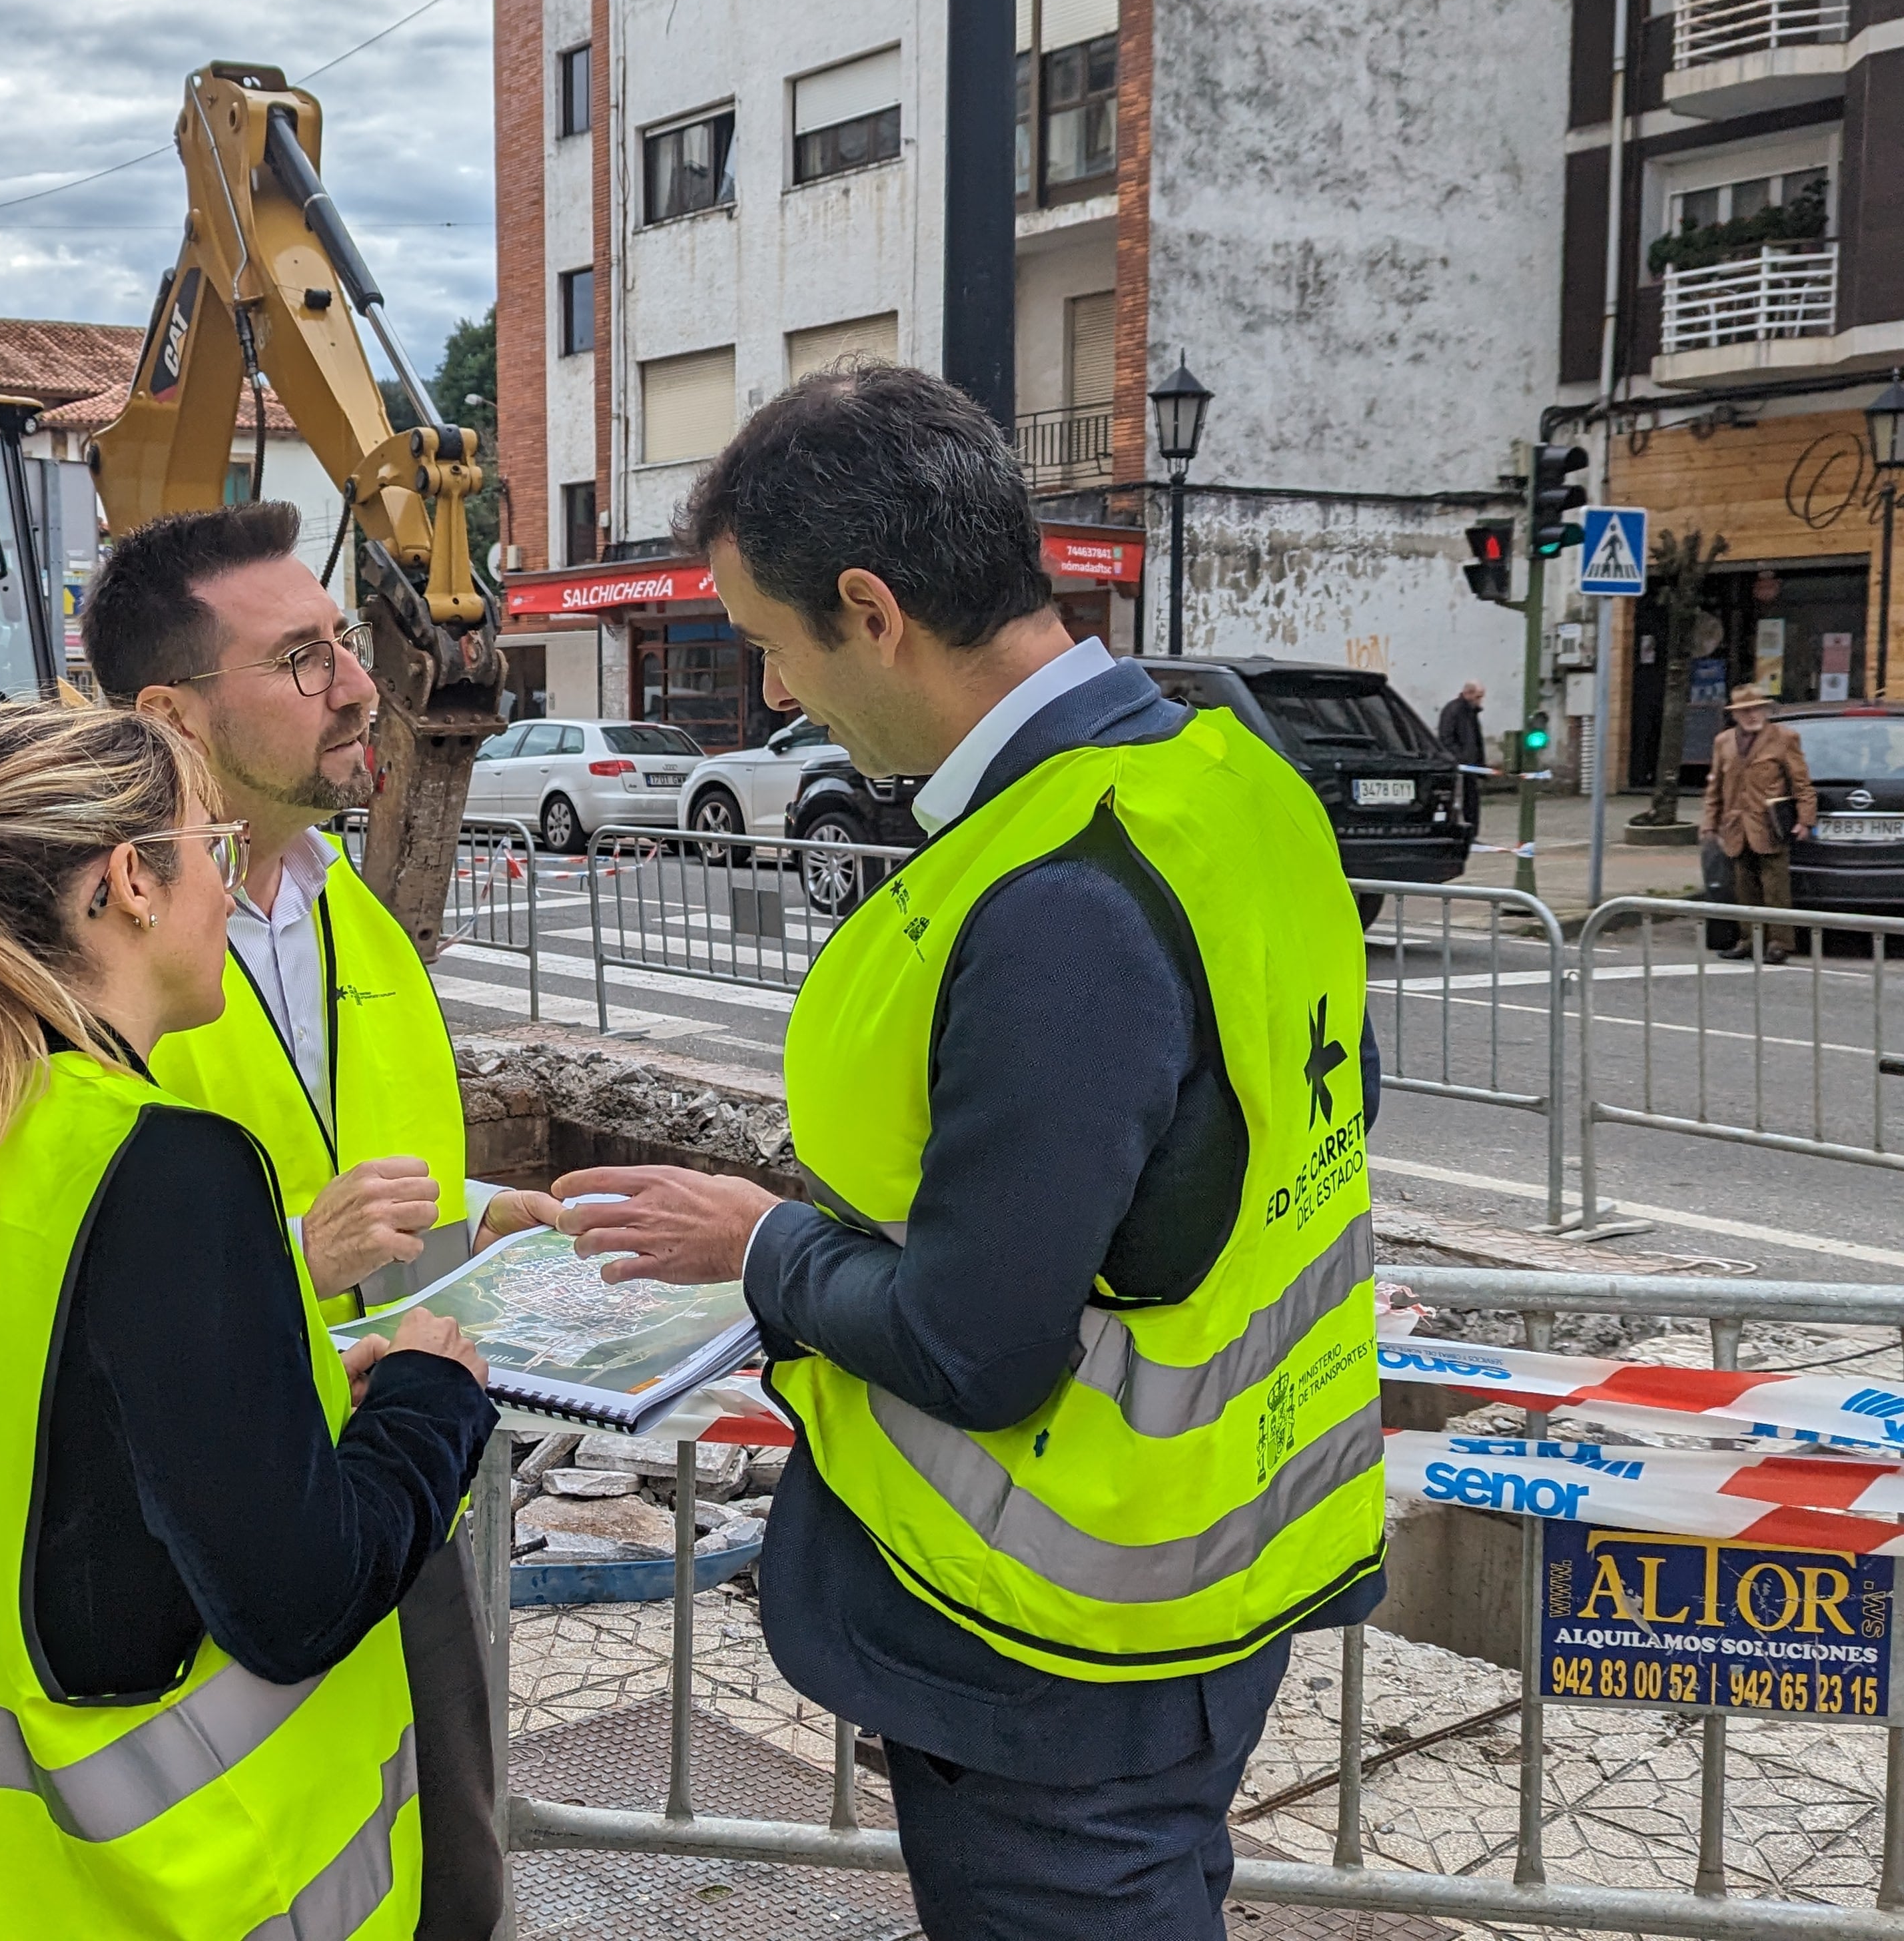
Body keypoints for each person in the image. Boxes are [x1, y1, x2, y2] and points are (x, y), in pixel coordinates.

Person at [550, 365, 1388, 1941]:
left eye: (771, 645)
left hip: (1056, 1650)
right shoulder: (1225, 783)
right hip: (1213, 1575)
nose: (780, 693)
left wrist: (754, 1242)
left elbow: (967, 1340)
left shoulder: (1054, 891)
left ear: (868, 609)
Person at [0, 697, 495, 1940]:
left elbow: (48, 1455)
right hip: (157, 1889)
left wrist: (301, 1385)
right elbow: (295, 1599)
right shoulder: (166, 1167)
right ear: (130, 883)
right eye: (212, 845)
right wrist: (432, 1395)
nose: (226, 884)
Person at [90, 502, 554, 1941]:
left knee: (448, 1879)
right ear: (171, 714)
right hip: (195, 1547)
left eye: (343, 643)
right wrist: (295, 1260)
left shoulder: (348, 908)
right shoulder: (77, 951)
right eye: (302, 658)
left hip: (394, 1497)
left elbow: (369, 1172)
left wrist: (489, 1211)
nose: (361, 686)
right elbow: (44, 1269)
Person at [1700, 682, 1817, 961]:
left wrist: (1805, 820)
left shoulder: (1784, 738)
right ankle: (1749, 939)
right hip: (1736, 826)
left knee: (1776, 887)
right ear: (1735, 715)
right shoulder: (1723, 742)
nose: (1752, 715)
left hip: (1771, 825)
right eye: (1745, 711)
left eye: (1757, 709)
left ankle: (1779, 944)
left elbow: (1802, 784)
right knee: (1744, 886)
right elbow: (1715, 786)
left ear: (1765, 710)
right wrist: (1708, 823)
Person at [1436, 679, 1487, 835]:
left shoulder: (1470, 712)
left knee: (1471, 802)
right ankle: (1463, 833)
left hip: (1469, 766)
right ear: (1469, 694)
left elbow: (1476, 742)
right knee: (1462, 802)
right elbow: (1446, 738)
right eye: (1479, 697)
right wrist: (1461, 759)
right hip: (1461, 766)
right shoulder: (1455, 710)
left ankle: (1471, 834)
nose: (1481, 701)